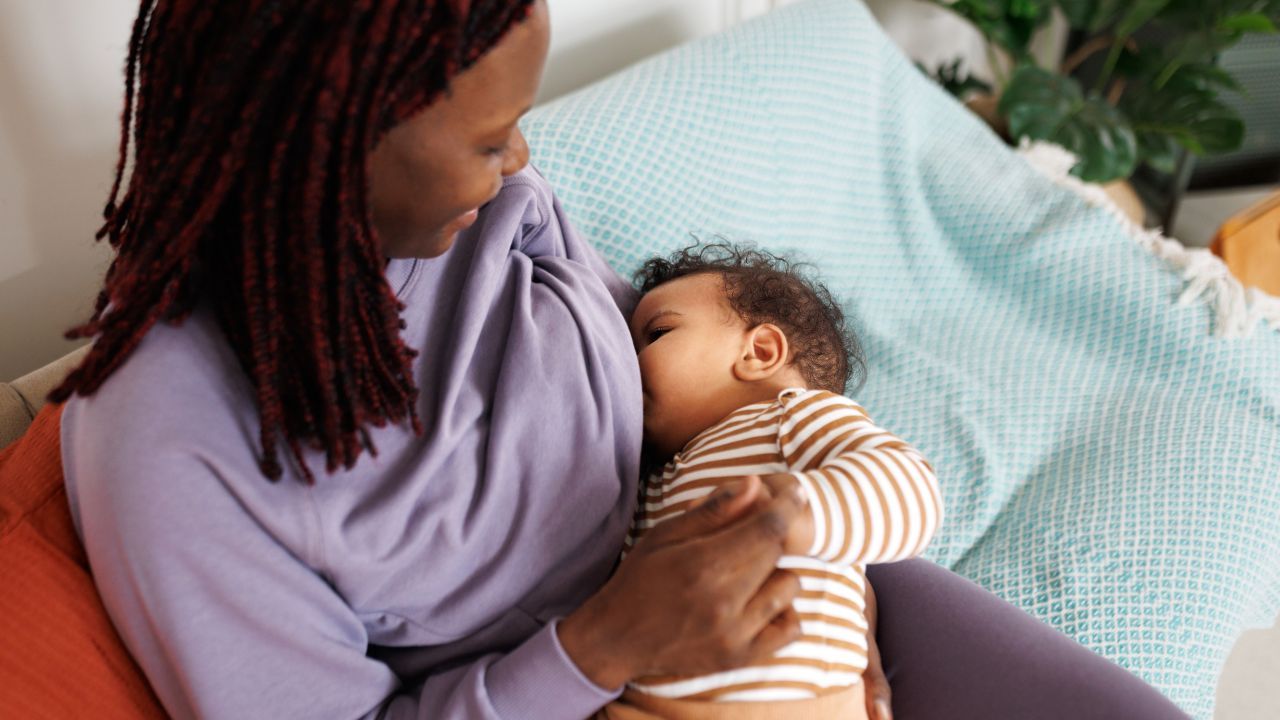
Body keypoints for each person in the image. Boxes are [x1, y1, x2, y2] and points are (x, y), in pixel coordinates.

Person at [50, 1, 1191, 718]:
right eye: (491, 137)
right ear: (326, 139)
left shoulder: (498, 212)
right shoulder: (164, 431)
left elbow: (685, 401)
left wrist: (817, 585)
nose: (523, 163)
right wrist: (602, 646)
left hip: (795, 585)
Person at [602, 244, 941, 720]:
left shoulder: (790, 419)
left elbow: (910, 489)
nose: (626, 358)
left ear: (760, 352)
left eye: (656, 334)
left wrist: (800, 513)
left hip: (793, 702)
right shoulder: (646, 477)